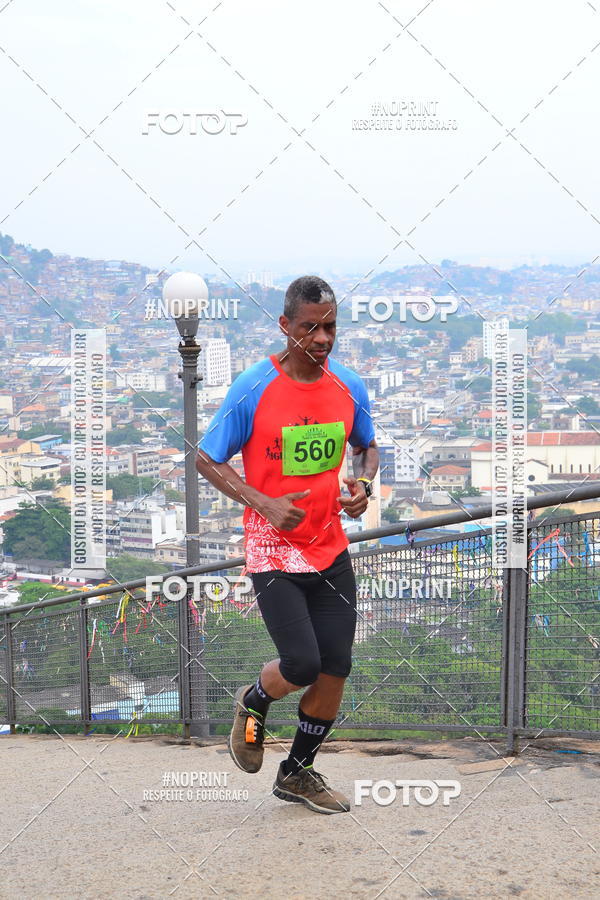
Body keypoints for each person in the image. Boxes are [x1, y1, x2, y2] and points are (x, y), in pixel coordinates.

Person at [196, 275, 379, 814]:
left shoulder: (348, 385)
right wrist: (264, 502)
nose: (322, 338)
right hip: (273, 548)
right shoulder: (254, 386)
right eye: (309, 327)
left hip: (330, 548)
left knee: (335, 666)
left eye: (330, 327)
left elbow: (368, 447)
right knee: (301, 664)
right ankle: (253, 701)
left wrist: (363, 484)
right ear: (285, 325)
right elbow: (206, 458)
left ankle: (297, 773)